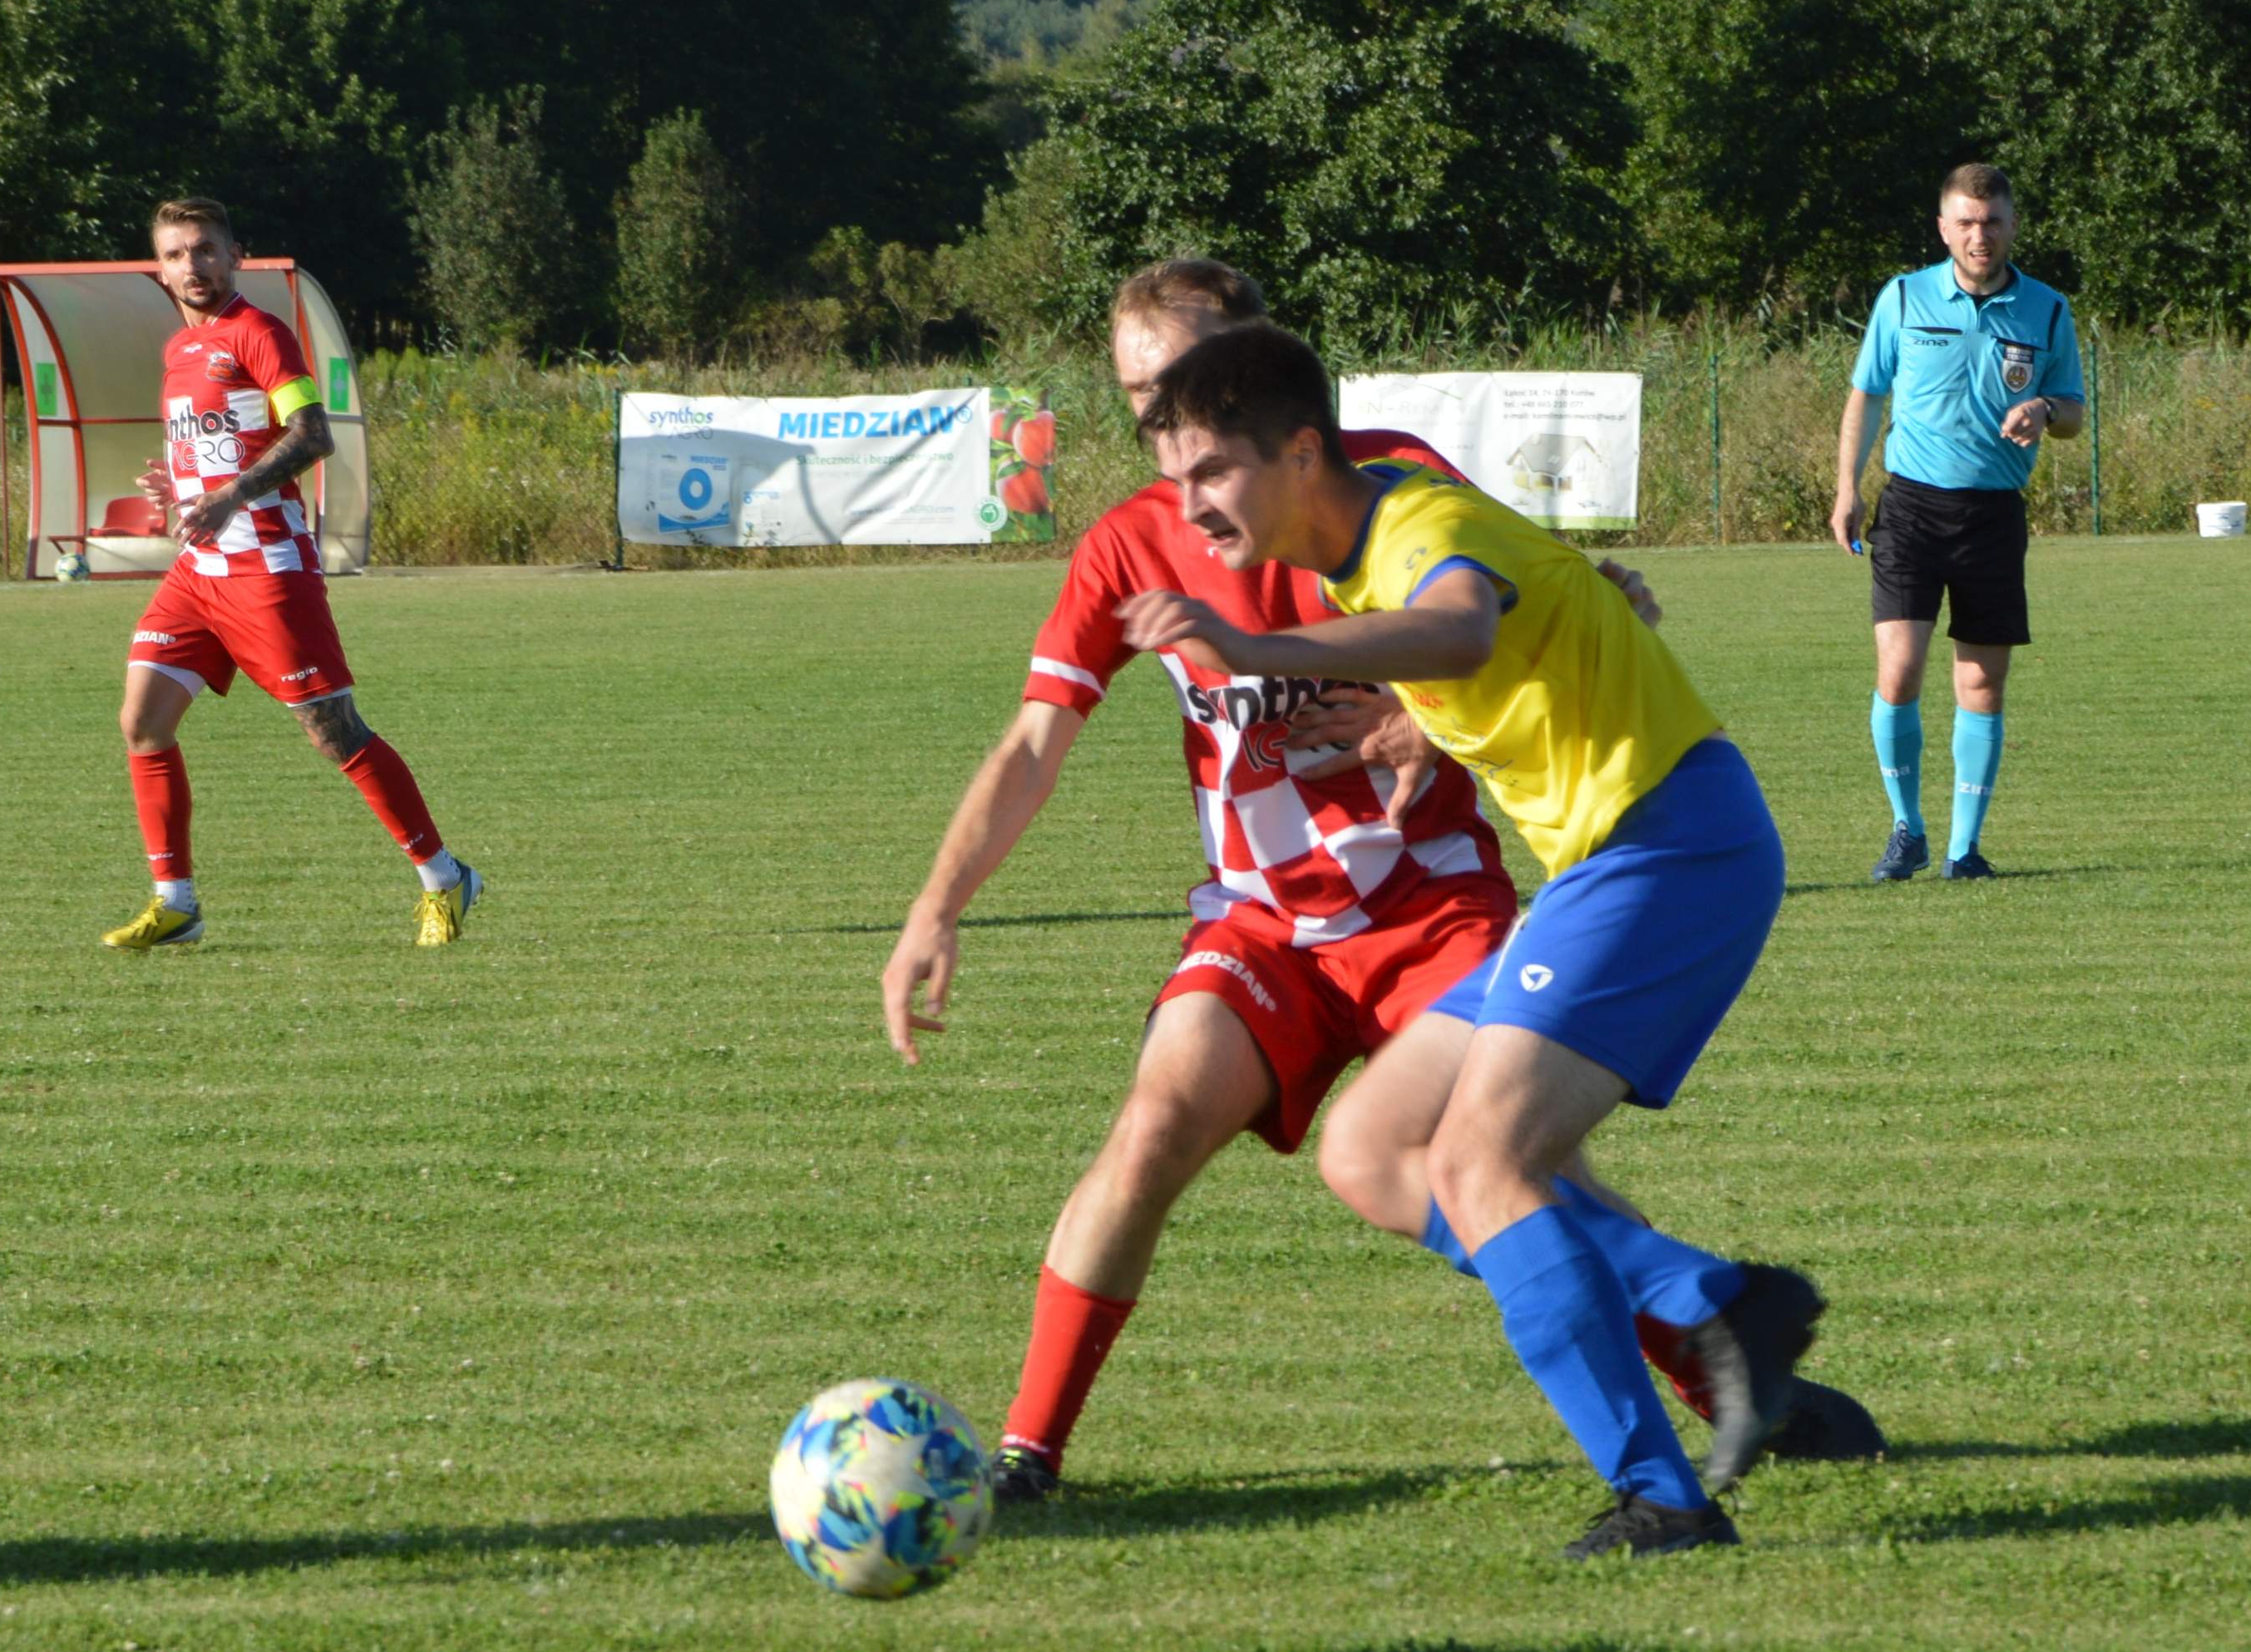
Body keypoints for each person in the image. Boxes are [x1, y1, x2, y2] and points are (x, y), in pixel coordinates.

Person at [885, 261, 1877, 1507]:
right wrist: (936, 907)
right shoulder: (1159, 532)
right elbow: (1037, 739)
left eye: (1194, 403)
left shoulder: (1373, 487)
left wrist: (1381, 690)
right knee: (1247, 1136)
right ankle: (1029, 1455)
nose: (1172, 442)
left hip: (1456, 895)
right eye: (1147, 406)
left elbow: (1485, 602)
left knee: (1497, 1157)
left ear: (1276, 399)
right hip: (1269, 918)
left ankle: (1704, 1386)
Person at [1118, 320, 1810, 1558]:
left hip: (1668, 847)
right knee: (1373, 1149)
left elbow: (1459, 628)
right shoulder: (1367, 545)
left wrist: (1257, 649)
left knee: (1480, 1162)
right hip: (1615, 863)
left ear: (1298, 451)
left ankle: (1663, 1495)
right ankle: (1711, 1303)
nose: (1192, 503)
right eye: (1178, 479)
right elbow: (1514, 632)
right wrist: (1412, 724)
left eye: (1213, 470)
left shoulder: (1416, 532)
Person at [102, 197, 479, 950]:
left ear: (235, 255)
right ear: (159, 269)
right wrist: (179, 494)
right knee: (142, 722)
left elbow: (312, 436)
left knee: (333, 733)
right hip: (199, 573)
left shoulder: (259, 334)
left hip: (267, 570)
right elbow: (226, 448)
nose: (192, 266)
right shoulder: (180, 352)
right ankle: (176, 904)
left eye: (205, 250)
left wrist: (227, 497)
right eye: (176, 255)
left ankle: (444, 876)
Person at [1831, 163, 2084, 883]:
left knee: (1981, 686)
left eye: (1992, 221)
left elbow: (2070, 409)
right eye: (1966, 223)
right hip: (1910, 508)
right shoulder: (1904, 297)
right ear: (1943, 228)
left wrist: (2043, 411)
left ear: (2011, 225)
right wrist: (1846, 488)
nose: (1980, 235)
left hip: (1992, 516)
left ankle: (1962, 850)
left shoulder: (2046, 309)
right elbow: (1866, 395)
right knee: (1900, 669)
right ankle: (1905, 828)